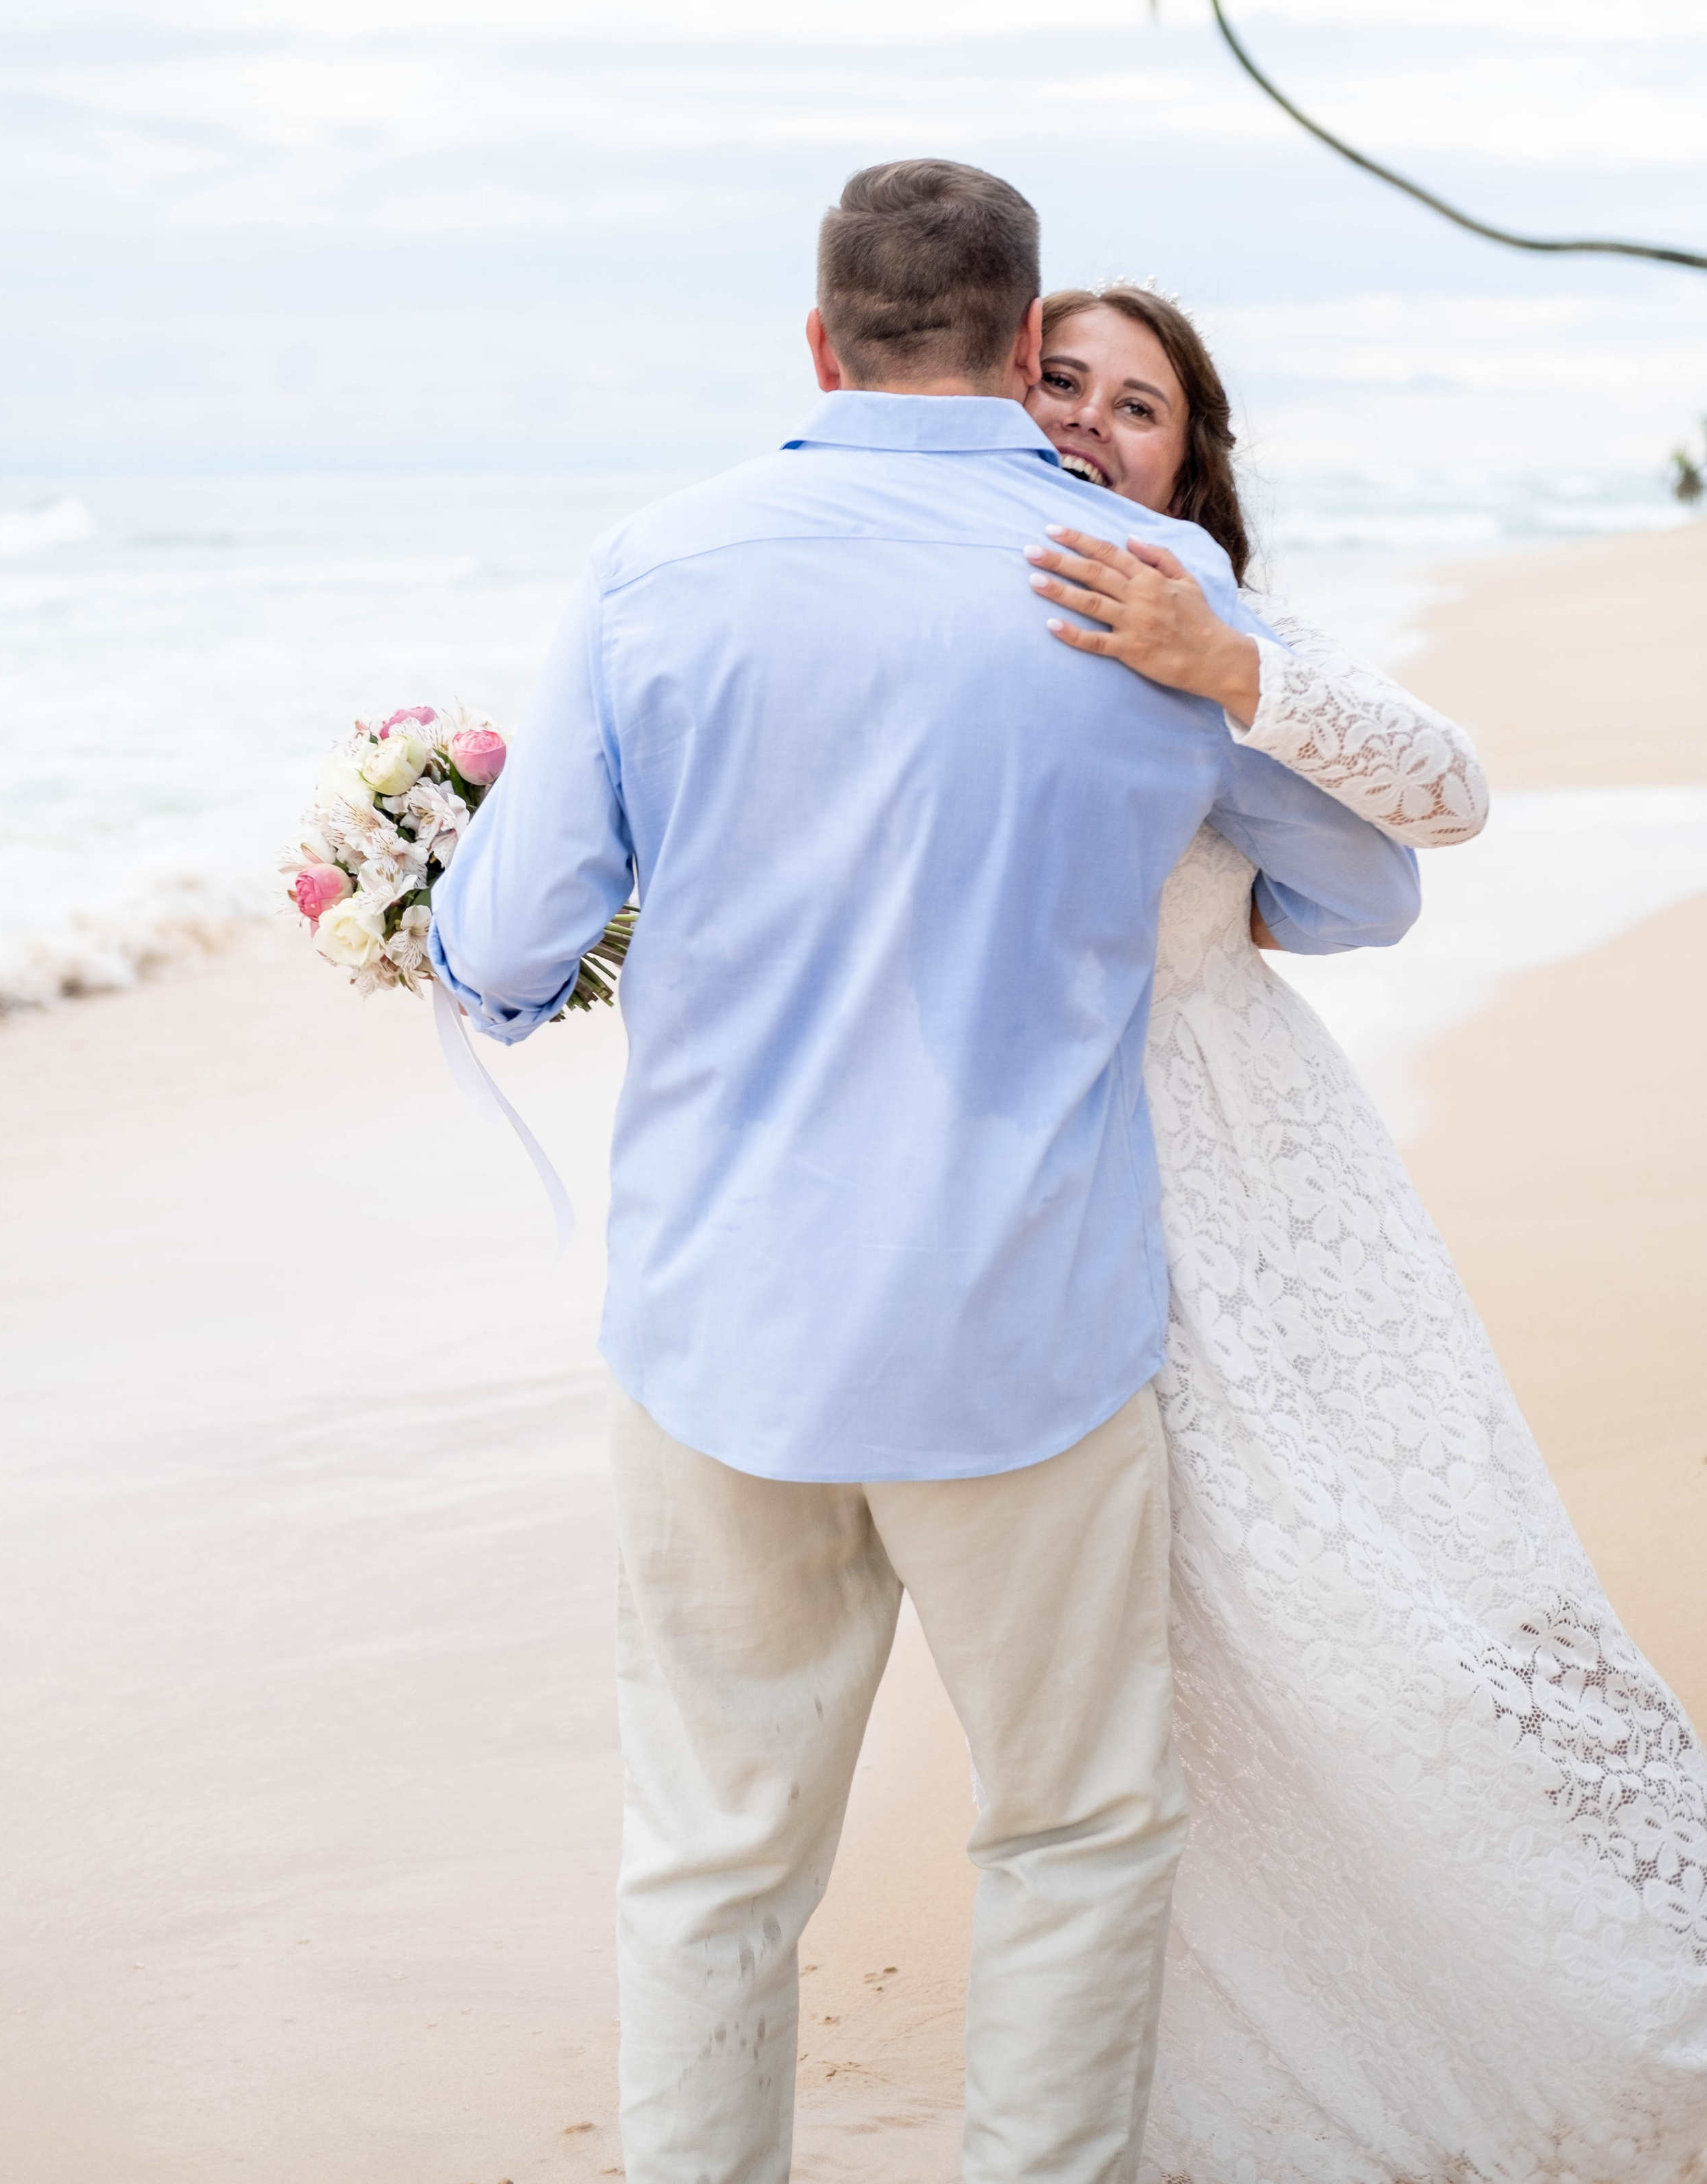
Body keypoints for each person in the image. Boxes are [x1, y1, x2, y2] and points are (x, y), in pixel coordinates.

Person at [428, 161, 1419, 2183]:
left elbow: (515, 944)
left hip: (725, 1327)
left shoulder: (659, 568)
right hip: (1025, 1328)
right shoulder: (1143, 592)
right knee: (1069, 1827)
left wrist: (451, 942)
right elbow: (1362, 885)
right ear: (1016, 339)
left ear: (822, 343)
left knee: (712, 1851)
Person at [1021, 283, 1707, 2180]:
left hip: (1253, 1158)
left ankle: (1543, 1988)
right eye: (1056, 381)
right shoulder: (947, 616)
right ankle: (1213, 2056)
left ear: (1191, 457)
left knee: (1390, 1575)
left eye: (1138, 405)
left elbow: (1450, 800)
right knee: (1173, 1618)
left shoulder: (1208, 619)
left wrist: (1223, 662)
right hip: (1045, 1178)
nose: (1089, 423)